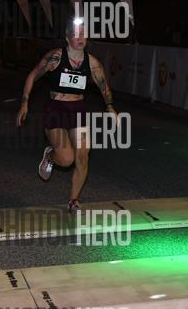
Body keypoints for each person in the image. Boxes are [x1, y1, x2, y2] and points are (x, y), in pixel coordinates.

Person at [16, 17, 117, 212]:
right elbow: (32, 76)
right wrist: (24, 103)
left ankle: (73, 200)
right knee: (66, 159)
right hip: (55, 109)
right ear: (67, 38)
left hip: (78, 109)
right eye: (76, 34)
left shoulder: (92, 63)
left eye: (83, 34)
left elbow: (104, 87)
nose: (80, 38)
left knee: (83, 157)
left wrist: (110, 106)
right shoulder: (55, 57)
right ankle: (50, 155)